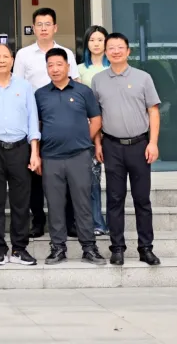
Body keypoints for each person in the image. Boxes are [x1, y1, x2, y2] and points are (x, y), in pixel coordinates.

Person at [91, 33, 162, 267]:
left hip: (140, 146)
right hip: (112, 146)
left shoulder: (143, 78)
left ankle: (146, 248)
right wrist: (98, 144)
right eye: (111, 48)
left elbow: (153, 111)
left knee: (142, 199)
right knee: (114, 199)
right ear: (105, 52)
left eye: (120, 47)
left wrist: (153, 142)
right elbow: (96, 116)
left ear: (128, 51)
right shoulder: (98, 80)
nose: (116, 51)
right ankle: (117, 248)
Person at [35, 48, 106, 266]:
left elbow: (96, 119)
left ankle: (89, 248)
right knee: (55, 205)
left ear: (67, 66)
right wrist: (36, 154)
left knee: (82, 203)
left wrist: (83, 139)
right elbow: (36, 126)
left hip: (79, 156)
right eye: (50, 65)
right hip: (51, 158)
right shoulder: (40, 94)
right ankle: (58, 248)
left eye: (59, 64)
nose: (55, 69)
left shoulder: (83, 91)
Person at [12, 7, 78, 239]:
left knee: (64, 172)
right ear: (33, 28)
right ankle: (38, 221)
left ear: (55, 27)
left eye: (47, 24)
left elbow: (76, 83)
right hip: (33, 119)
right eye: (39, 24)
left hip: (61, 119)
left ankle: (69, 222)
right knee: (35, 172)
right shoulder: (23, 55)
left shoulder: (66, 53)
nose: (43, 28)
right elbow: (17, 87)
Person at [0, 44, 40, 267]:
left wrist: (34, 152)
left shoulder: (24, 86)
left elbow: (32, 119)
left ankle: (19, 248)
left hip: (20, 148)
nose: (2, 60)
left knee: (21, 201)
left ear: (12, 60)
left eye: (6, 56)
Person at [78, 25, 111, 236]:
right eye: (92, 40)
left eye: (100, 39)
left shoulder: (114, 67)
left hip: (114, 129)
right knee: (92, 179)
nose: (96, 44)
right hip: (89, 130)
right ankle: (97, 221)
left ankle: (113, 221)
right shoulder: (80, 70)